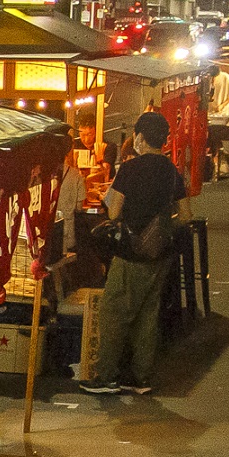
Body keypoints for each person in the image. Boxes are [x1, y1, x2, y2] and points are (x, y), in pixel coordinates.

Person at [82, 109, 189, 398]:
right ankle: (141, 377)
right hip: (160, 254)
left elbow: (114, 210)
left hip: (131, 254)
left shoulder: (130, 169)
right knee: (147, 315)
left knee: (114, 313)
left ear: (140, 138)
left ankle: (106, 376)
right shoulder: (171, 170)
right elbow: (186, 215)